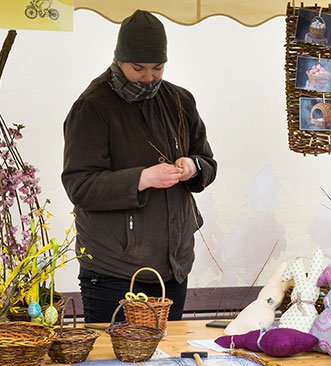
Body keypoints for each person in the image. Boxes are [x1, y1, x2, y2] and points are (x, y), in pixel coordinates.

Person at [63, 9, 217, 323]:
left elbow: (208, 163)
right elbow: (79, 185)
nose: (148, 77)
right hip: (112, 271)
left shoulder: (179, 101)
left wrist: (193, 167)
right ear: (119, 60)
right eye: (138, 68)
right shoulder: (92, 107)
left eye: (157, 68)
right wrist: (142, 178)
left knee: (166, 365)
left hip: (173, 269)